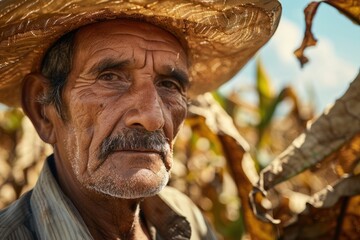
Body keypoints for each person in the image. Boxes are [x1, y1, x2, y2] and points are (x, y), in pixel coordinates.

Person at [0, 1, 281, 239]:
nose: (152, 117)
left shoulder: (189, 220)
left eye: (169, 84)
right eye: (110, 77)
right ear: (43, 110)